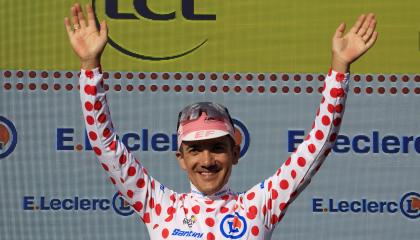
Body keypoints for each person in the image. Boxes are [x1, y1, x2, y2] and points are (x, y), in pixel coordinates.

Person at [65, 3, 377, 239]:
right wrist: (90, 65)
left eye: (217, 147)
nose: (207, 160)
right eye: (195, 149)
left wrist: (339, 67)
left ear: (235, 153)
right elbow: (105, 145)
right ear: (181, 159)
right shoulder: (160, 206)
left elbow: (317, 145)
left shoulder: (257, 207)